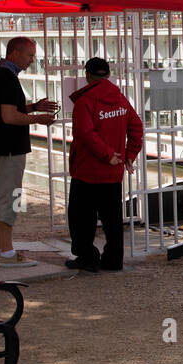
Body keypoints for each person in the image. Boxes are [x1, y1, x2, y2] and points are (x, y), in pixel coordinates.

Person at [0, 37, 57, 267]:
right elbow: (9, 116)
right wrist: (39, 119)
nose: (32, 60)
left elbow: (7, 110)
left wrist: (34, 107)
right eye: (29, 55)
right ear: (14, 53)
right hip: (9, 150)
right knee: (11, 199)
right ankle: (7, 253)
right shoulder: (7, 78)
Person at [66, 57, 144, 272]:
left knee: (82, 218)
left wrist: (106, 154)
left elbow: (85, 134)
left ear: (87, 75)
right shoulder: (120, 100)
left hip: (87, 169)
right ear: (108, 75)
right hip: (113, 171)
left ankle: (87, 257)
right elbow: (136, 127)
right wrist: (129, 155)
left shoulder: (85, 102)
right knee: (112, 219)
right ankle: (113, 260)